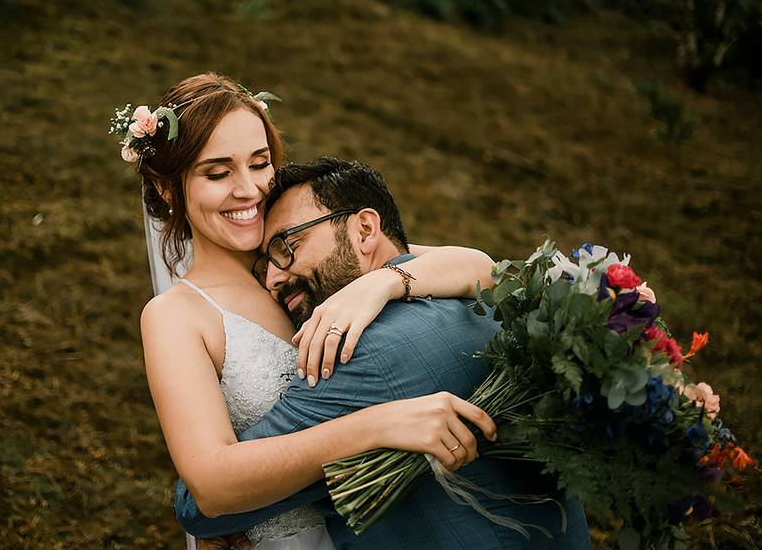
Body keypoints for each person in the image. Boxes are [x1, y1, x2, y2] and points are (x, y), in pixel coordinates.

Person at [127, 73, 498, 549]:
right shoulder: (176, 315)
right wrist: (377, 425)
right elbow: (211, 486)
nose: (250, 190)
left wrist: (382, 284)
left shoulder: (312, 261)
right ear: (167, 189)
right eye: (218, 173)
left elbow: (481, 268)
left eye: (260, 164)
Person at [174, 158, 592, 549]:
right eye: (264, 264)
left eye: (287, 246)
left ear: (364, 230)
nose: (273, 279)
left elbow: (203, 505)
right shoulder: (497, 305)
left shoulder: (356, 356)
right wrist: (385, 281)